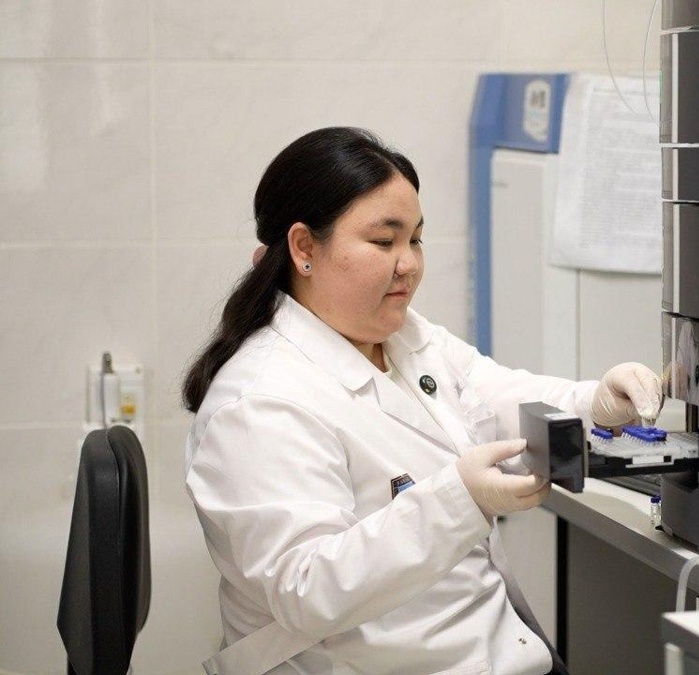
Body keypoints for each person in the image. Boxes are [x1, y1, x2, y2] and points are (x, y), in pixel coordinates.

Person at [182, 127, 661, 675]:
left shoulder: (405, 338)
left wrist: (597, 402)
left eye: (415, 240)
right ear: (304, 248)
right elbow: (307, 589)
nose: (408, 263)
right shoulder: (260, 401)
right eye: (384, 242)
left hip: (490, 650)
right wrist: (460, 499)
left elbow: (501, 395)